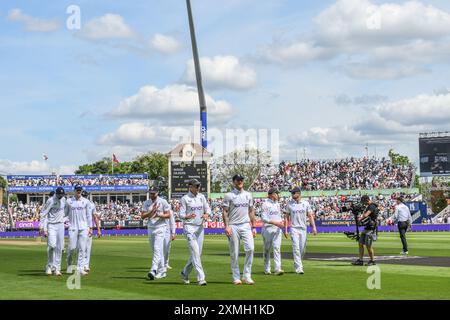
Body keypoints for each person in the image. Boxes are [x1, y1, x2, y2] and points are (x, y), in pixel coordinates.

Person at [222, 174, 257, 285]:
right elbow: (225, 212)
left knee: (250, 249)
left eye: (241, 180)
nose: (240, 182)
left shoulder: (248, 195)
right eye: (237, 180)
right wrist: (227, 226)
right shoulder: (229, 195)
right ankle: (236, 277)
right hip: (233, 225)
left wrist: (254, 226)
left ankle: (247, 276)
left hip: (246, 225)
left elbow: (251, 211)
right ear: (234, 182)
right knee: (235, 252)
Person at [179, 179, 211, 286]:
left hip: (200, 228)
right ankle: (201, 278)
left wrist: (207, 214)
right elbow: (181, 214)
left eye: (199, 186)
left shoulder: (202, 197)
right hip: (189, 228)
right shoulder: (185, 198)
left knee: (197, 254)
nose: (198, 188)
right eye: (196, 186)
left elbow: (208, 209)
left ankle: (184, 273)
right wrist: (186, 216)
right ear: (190, 187)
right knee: (196, 253)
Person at [284, 186, 317, 274]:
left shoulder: (305, 203)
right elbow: (286, 217)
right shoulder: (289, 204)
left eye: (293, 193)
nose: (292, 194)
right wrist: (286, 229)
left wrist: (314, 227)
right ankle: (299, 268)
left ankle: (298, 264)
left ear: (298, 193)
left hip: (303, 228)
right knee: (296, 248)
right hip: (294, 228)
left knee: (302, 248)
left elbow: (310, 216)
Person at [141, 186, 171, 280]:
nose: (152, 194)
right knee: (156, 250)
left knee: (157, 249)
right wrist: (151, 211)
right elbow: (142, 216)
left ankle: (153, 270)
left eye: (154, 193)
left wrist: (159, 214)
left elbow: (168, 215)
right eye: (151, 193)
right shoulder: (146, 203)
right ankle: (162, 271)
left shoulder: (163, 201)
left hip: (161, 228)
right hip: (150, 227)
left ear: (158, 192)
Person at [65, 184, 93, 275]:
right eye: (77, 190)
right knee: (72, 248)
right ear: (74, 190)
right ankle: (69, 265)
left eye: (80, 190)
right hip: (73, 227)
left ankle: (80, 268)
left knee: (82, 248)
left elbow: (89, 215)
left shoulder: (86, 201)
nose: (79, 191)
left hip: (83, 228)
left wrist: (90, 227)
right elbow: (65, 214)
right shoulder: (69, 201)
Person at [39, 187, 66, 276]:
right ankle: (49, 266)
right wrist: (42, 227)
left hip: (61, 225)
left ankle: (57, 268)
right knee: (52, 246)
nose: (61, 196)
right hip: (51, 225)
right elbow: (43, 214)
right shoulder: (50, 200)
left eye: (62, 194)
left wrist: (64, 219)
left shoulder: (64, 199)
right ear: (56, 193)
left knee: (59, 247)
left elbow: (66, 211)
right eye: (60, 195)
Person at [261, 188, 285, 275]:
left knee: (277, 248)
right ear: (272, 194)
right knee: (267, 249)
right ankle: (267, 269)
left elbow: (278, 216)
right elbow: (264, 218)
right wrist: (275, 223)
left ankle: (277, 269)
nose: (278, 195)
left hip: (277, 229)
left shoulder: (277, 204)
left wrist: (281, 222)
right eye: (277, 193)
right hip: (268, 228)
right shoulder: (265, 204)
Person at [352, 195, 379, 266]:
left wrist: (359, 219)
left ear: (367, 200)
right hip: (367, 227)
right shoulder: (369, 206)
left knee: (368, 245)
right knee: (360, 243)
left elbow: (366, 215)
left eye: (364, 202)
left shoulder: (372, 206)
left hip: (371, 228)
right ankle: (360, 260)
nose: (364, 203)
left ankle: (372, 261)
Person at [82, 190, 102, 272]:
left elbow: (95, 217)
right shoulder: (78, 203)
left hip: (89, 227)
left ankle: (86, 265)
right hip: (80, 227)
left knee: (88, 248)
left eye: (85, 196)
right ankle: (81, 264)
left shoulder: (91, 204)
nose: (84, 197)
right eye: (83, 196)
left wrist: (98, 229)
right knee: (80, 247)